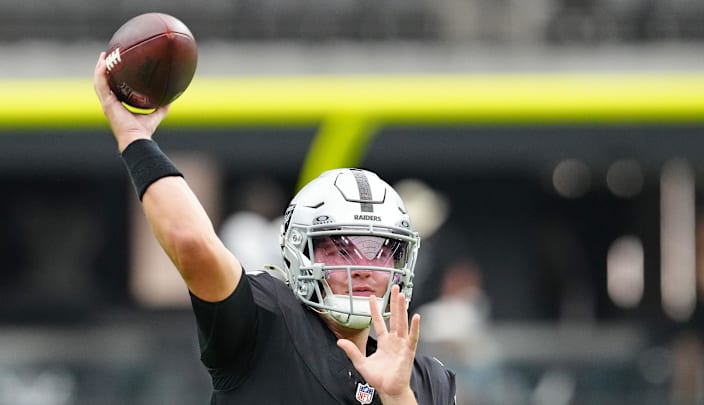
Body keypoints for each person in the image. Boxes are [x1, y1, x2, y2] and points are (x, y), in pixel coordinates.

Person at [93, 53, 456, 404]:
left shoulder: (426, 381)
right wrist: (135, 139)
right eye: (341, 247)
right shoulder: (267, 322)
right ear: (301, 252)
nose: (362, 265)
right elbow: (190, 241)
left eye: (380, 250)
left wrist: (397, 397)